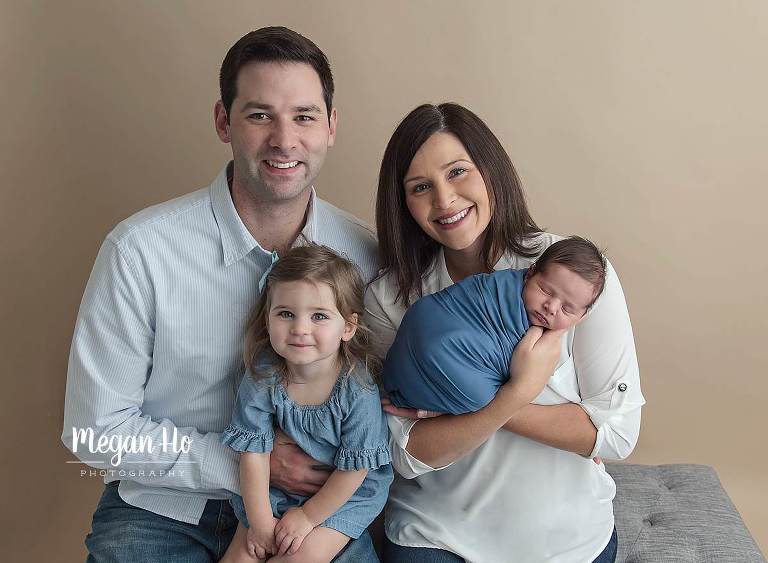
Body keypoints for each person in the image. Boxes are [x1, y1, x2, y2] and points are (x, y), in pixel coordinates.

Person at [61, 27, 381, 562]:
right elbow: (93, 434)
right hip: (164, 511)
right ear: (222, 121)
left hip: (312, 510)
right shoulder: (139, 249)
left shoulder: (364, 256)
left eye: (304, 116)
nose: (284, 140)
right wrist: (242, 463)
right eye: (260, 115)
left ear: (330, 127)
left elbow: (381, 411)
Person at [365, 103, 645, 563]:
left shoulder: (576, 275)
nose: (445, 199)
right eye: (420, 187)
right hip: (436, 535)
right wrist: (519, 395)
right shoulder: (389, 298)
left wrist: (485, 405)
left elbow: (615, 433)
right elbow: (406, 453)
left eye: (458, 172)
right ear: (404, 203)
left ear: (491, 171)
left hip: (567, 541)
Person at [219, 245, 393, 563]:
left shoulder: (357, 389)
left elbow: (355, 471)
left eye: (319, 316)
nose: (300, 328)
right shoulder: (264, 374)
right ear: (268, 320)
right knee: (240, 557)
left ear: (348, 327)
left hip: (344, 491)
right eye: (286, 313)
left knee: (298, 558)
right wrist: (258, 523)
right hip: (276, 487)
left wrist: (308, 517)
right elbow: (254, 453)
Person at [384, 236, 607, 415]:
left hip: (429, 354)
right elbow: (526, 386)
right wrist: (572, 437)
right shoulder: (498, 290)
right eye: (546, 291)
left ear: (582, 316)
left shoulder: (560, 331)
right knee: (479, 394)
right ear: (530, 273)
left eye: (567, 309)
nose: (551, 307)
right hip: (431, 335)